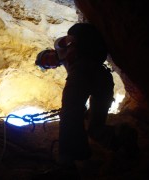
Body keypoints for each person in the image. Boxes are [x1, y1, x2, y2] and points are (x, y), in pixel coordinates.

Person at [35, 23, 138, 179]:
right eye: (47, 65)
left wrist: (70, 48)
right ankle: (122, 136)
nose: (49, 64)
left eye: (46, 59)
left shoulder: (59, 47)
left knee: (69, 113)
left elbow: (68, 39)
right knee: (95, 128)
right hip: (103, 79)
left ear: (50, 51)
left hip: (83, 71)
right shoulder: (68, 65)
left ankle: (67, 164)